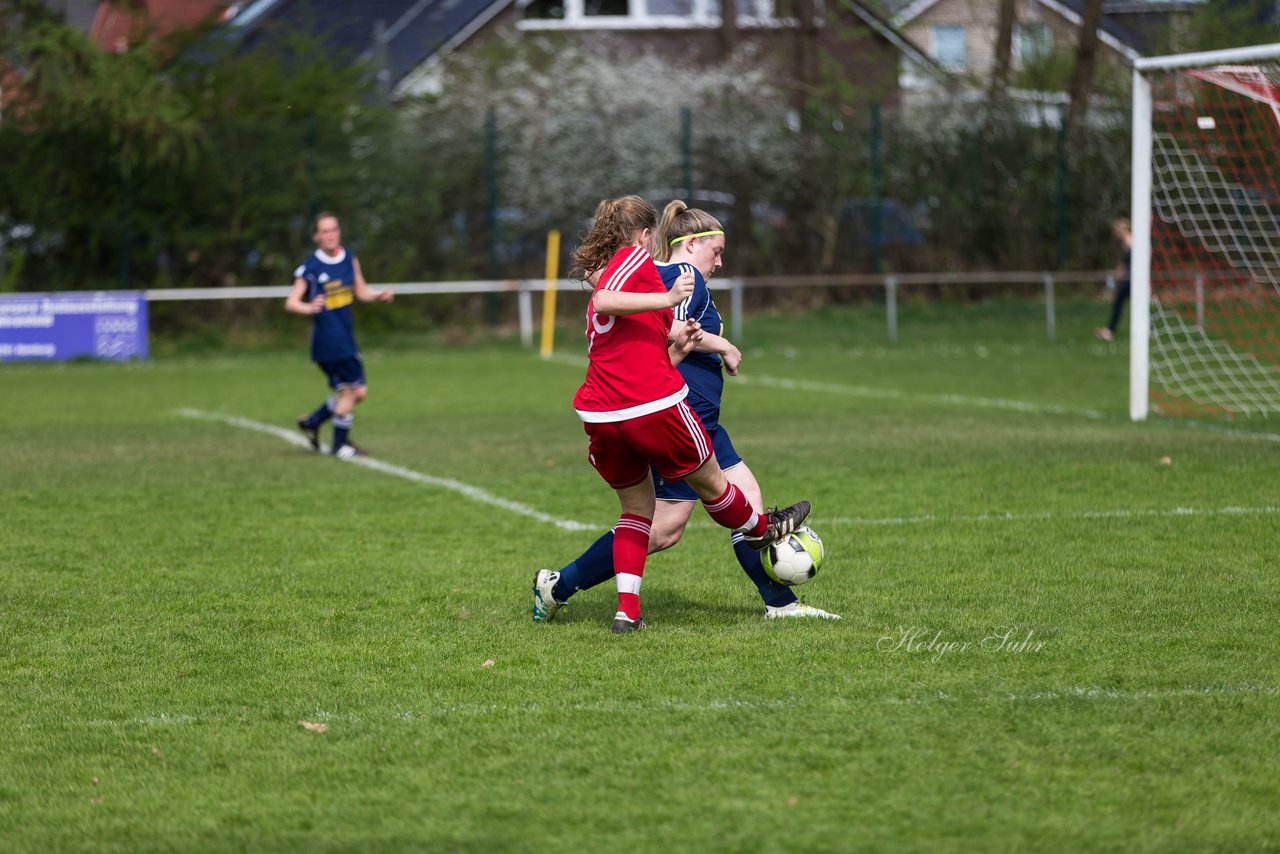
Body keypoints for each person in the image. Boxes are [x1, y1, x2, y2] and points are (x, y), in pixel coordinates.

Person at [535, 195, 814, 634]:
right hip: (675, 415)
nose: (720, 261)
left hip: (677, 415)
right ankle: (559, 586)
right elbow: (665, 340)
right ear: (688, 243)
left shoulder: (660, 274)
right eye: (716, 250)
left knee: (666, 524)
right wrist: (715, 343)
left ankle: (779, 598)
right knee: (666, 526)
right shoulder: (681, 275)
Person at [285, 212, 393, 458]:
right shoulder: (311, 267)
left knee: (357, 392)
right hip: (328, 341)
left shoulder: (349, 258)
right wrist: (308, 307)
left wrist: (378, 296)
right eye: (324, 231)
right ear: (316, 236)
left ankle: (313, 421)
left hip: (345, 337)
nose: (330, 234)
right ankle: (340, 445)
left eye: (334, 229)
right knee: (351, 392)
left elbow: (361, 291)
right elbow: (291, 302)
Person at [1095, 218, 1132, 342]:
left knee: (1120, 303)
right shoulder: (1123, 245)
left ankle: (1110, 331)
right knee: (1118, 303)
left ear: (1122, 230)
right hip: (1127, 280)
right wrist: (1113, 276)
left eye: (1116, 230)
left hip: (1133, 281)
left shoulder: (1133, 241)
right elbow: (1123, 266)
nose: (1114, 233)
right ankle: (1110, 330)